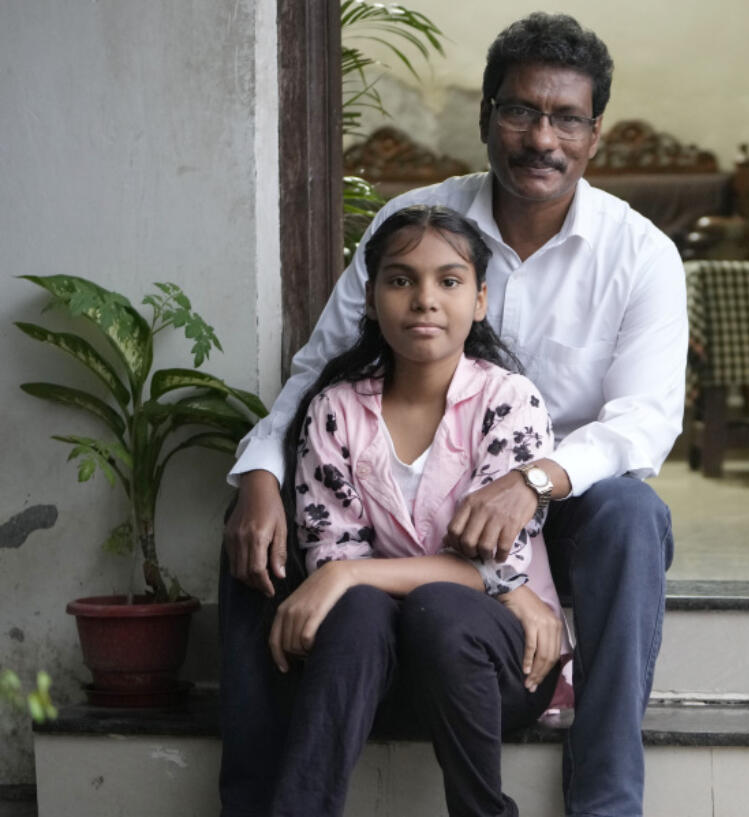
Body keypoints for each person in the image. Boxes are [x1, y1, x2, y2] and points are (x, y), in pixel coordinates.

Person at [221, 12, 687, 817]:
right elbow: (322, 367)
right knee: (249, 524)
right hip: (416, 506)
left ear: (594, 134)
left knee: (632, 512)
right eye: (520, 111)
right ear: (486, 116)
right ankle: (255, 798)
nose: (542, 137)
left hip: (561, 504)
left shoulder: (639, 252)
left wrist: (534, 481)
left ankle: (606, 796)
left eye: (566, 118)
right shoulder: (422, 224)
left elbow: (645, 419)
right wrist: (260, 469)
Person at [266, 204, 567, 817]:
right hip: (374, 671)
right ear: (373, 298)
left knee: (439, 607)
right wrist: (344, 576)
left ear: (479, 299)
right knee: (357, 612)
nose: (424, 299)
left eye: (448, 281)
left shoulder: (509, 401)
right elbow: (335, 560)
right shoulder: (335, 411)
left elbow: (490, 570)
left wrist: (349, 572)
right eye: (401, 280)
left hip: (498, 670)